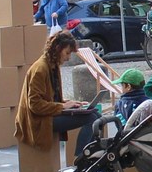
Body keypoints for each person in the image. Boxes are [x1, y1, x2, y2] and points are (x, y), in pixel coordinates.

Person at [16, 32, 96, 163]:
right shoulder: (40, 69)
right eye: (67, 53)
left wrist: (68, 103)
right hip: (37, 120)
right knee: (91, 119)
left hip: (46, 114)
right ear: (58, 49)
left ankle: (91, 158)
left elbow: (49, 98)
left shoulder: (52, 66)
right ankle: (81, 160)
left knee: (96, 116)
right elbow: (35, 105)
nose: (68, 58)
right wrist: (63, 106)